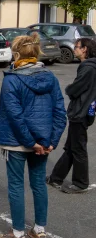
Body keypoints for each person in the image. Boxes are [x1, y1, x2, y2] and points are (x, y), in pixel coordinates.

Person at [0, 34, 66, 238]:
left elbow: (15, 116)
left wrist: (31, 142)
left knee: (16, 185)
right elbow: (60, 112)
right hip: (42, 142)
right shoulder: (50, 78)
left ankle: (18, 235)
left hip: (18, 141)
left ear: (16, 53)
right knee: (38, 185)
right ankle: (40, 231)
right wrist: (50, 141)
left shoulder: (11, 79)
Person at [48, 37, 96, 194]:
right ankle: (56, 177)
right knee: (71, 147)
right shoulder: (90, 66)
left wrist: (69, 89)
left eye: (77, 46)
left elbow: (75, 89)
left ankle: (81, 183)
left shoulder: (88, 68)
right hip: (84, 111)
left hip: (80, 112)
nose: (74, 49)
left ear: (85, 49)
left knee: (78, 148)